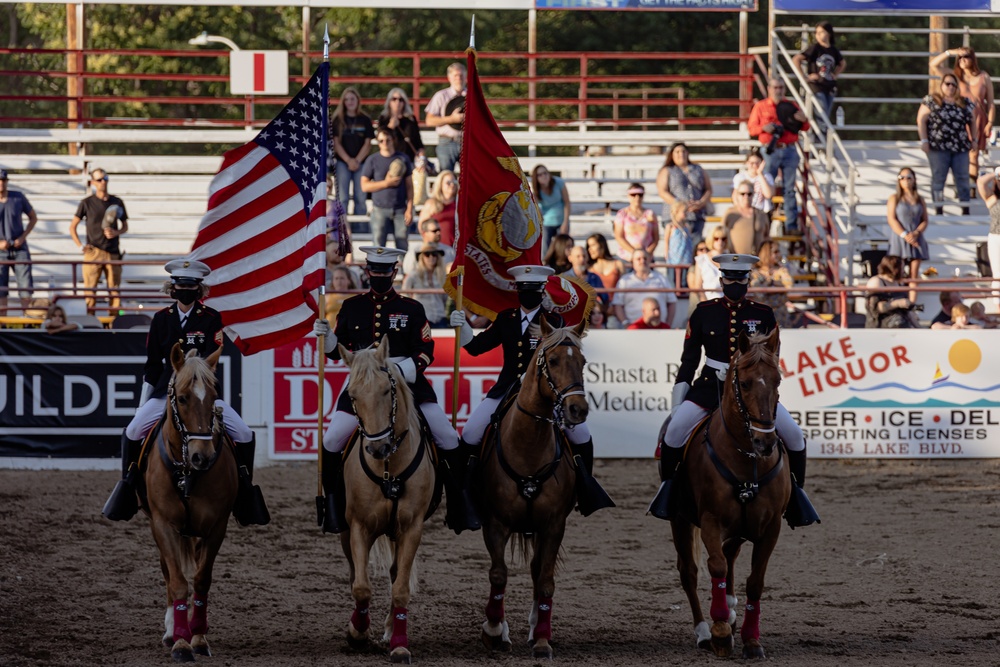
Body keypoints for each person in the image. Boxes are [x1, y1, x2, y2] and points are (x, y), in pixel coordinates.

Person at [311, 246, 479, 535]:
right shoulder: (351, 307)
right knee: (331, 440)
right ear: (366, 271)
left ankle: (459, 505)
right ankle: (334, 507)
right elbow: (337, 354)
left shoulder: (412, 308)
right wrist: (326, 338)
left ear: (395, 272)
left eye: (384, 272)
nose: (378, 276)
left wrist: (400, 372)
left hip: (408, 384)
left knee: (449, 437)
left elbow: (426, 351)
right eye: (373, 271)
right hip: (364, 386)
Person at [103, 259, 268, 525]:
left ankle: (244, 491)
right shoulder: (160, 320)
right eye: (180, 285)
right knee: (133, 431)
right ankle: (129, 487)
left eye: (190, 286)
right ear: (173, 288)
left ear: (198, 289)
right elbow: (152, 365)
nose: (185, 290)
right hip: (165, 394)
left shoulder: (211, 319)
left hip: (201, 396)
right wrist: (143, 403)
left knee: (245, 434)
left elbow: (212, 358)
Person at [654, 253, 812, 527]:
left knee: (796, 437)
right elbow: (689, 361)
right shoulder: (704, 312)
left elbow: (770, 363)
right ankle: (669, 492)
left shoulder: (763, 314)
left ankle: (796, 496)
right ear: (722, 279)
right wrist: (677, 403)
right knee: (675, 433)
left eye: (740, 278)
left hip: (751, 391)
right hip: (708, 388)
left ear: (748, 280)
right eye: (730, 278)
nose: (735, 283)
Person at [448, 265, 613, 516]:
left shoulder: (554, 321)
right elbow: (477, 348)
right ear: (517, 290)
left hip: (546, 394)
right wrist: (464, 329)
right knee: (470, 433)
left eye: (534, 290)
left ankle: (583, 489)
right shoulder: (507, 319)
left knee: (582, 435)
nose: (529, 294)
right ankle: (468, 493)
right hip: (505, 390)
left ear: (542, 290)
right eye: (524, 289)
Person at [748, 78, 810, 233]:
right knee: (765, 187)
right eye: (775, 87)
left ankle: (791, 226)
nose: (778, 90)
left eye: (781, 87)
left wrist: (804, 120)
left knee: (789, 189)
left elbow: (805, 126)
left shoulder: (790, 105)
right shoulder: (761, 106)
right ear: (769, 89)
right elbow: (751, 129)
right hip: (770, 150)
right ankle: (764, 225)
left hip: (789, 149)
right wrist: (765, 128)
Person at [931, 46, 994, 195]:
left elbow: (990, 102)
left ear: (973, 58)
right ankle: (961, 185)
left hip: (978, 119)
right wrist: (950, 52)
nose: (963, 60)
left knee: (974, 154)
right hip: (959, 120)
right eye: (960, 57)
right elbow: (933, 65)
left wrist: (990, 122)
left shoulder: (983, 77)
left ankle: (971, 188)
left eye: (966, 56)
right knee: (959, 154)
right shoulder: (954, 77)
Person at [69, 167, 128, 315]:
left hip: (113, 252)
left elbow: (125, 226)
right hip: (93, 251)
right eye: (100, 180)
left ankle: (114, 324)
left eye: (105, 179)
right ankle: (90, 323)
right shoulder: (87, 203)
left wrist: (116, 232)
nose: (103, 182)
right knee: (90, 291)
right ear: (93, 182)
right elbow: (72, 227)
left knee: (114, 291)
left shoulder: (117, 201)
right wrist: (80, 246)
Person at [917, 72, 973, 216]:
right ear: (941, 85)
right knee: (938, 178)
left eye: (954, 84)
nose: (950, 87)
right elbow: (921, 120)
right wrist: (924, 140)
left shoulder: (964, 102)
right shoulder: (932, 100)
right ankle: (938, 209)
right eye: (947, 83)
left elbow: (972, 121)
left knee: (962, 178)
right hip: (938, 147)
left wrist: (975, 140)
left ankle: (965, 209)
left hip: (960, 147)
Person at [361, 127, 413, 251]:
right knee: (378, 246)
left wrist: (410, 209)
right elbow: (364, 186)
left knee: (402, 246)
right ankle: (378, 270)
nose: (384, 143)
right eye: (381, 140)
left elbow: (410, 186)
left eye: (387, 140)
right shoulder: (372, 160)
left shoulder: (403, 158)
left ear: (393, 140)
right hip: (379, 209)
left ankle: (402, 270)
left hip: (400, 209)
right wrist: (386, 183)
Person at [792, 21, 846, 136]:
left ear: (829, 33)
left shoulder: (833, 50)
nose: (819, 35)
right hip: (817, 86)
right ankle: (823, 141)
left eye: (822, 32)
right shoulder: (815, 48)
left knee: (826, 114)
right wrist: (804, 77)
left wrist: (835, 75)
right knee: (822, 114)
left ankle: (824, 139)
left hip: (829, 86)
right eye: (817, 32)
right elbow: (797, 58)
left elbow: (842, 63)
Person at [329, 87, 374, 216]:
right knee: (342, 198)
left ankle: (361, 230)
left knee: (360, 197)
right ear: (343, 102)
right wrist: (349, 160)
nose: (350, 102)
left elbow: (367, 143)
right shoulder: (338, 120)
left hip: (361, 163)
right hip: (343, 163)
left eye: (352, 99)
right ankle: (342, 230)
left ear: (358, 100)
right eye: (347, 99)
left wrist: (357, 160)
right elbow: (336, 143)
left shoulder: (365, 119)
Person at [887, 168, 929, 303]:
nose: (905, 180)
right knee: (896, 272)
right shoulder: (894, 198)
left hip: (916, 238)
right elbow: (891, 219)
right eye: (902, 177)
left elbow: (925, 220)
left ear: (914, 179)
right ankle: (896, 302)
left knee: (914, 275)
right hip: (900, 238)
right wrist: (905, 235)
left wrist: (916, 233)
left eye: (909, 177)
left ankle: (911, 305)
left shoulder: (919, 199)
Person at [0, 169, 38, 316]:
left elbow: (33, 217)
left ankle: (27, 323)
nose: (1, 183)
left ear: (7, 181)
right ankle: (2, 325)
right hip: (1, 250)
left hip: (19, 247)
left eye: (3, 180)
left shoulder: (18, 197)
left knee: (25, 287)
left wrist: (23, 237)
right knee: (1, 290)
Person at [656, 143, 713, 239]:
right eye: (677, 152)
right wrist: (680, 204)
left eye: (683, 151)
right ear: (672, 155)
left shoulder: (698, 169)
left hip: (696, 216)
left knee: (695, 246)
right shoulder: (667, 171)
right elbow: (662, 191)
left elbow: (708, 189)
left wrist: (701, 203)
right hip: (675, 217)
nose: (681, 154)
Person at [611, 249, 677, 328]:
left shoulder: (661, 279)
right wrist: (626, 324)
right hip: (634, 330)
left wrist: (667, 324)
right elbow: (618, 305)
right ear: (632, 262)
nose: (642, 261)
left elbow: (672, 302)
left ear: (650, 260)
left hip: (659, 329)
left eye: (645, 258)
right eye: (638, 259)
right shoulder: (624, 281)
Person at [424, 62, 466, 173]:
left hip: (468, 142)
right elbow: (429, 120)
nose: (459, 78)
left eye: (461, 75)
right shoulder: (441, 95)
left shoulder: (473, 95)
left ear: (466, 77)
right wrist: (451, 119)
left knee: (470, 179)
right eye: (455, 76)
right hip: (447, 142)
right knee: (446, 177)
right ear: (449, 78)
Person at [751, 240, 798, 329]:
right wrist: (778, 285)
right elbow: (759, 292)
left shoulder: (781, 270)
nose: (778, 254)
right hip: (761, 314)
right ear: (766, 253)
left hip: (780, 314)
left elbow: (789, 285)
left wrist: (770, 283)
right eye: (775, 252)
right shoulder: (755, 273)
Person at [402, 242, 448, 327]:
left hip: (440, 319)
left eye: (434, 254)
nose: (431, 257)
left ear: (438, 257)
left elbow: (445, 299)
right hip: (420, 318)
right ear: (421, 257)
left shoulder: (442, 276)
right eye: (427, 254)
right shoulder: (413, 275)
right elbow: (405, 295)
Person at [865, 255, 918, 329]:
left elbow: (908, 312)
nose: (903, 271)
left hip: (902, 323)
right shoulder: (876, 282)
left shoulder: (898, 283)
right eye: (902, 268)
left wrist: (919, 327)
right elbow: (875, 308)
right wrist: (897, 303)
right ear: (894, 268)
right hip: (882, 326)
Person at [612, 183, 659, 263]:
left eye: (640, 195)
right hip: (627, 257)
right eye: (633, 195)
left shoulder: (650, 214)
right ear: (628, 196)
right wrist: (635, 253)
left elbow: (656, 237)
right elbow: (619, 236)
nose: (637, 197)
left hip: (646, 258)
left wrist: (647, 253)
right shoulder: (622, 214)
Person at [377, 87, 425, 166]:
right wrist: (390, 126)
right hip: (390, 159)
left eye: (401, 100)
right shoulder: (383, 118)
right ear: (389, 102)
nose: (397, 102)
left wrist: (422, 158)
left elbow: (418, 142)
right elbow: (380, 138)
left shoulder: (410, 119)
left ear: (405, 102)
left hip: (409, 159)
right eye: (394, 99)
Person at [531, 164, 571, 254]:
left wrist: (565, 222)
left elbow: (567, 202)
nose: (543, 176)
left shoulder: (559, 182)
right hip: (547, 222)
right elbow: (536, 208)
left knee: (563, 250)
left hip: (561, 220)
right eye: (539, 175)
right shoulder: (536, 191)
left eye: (545, 173)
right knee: (544, 250)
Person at [723, 183, 769, 255]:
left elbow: (767, 236)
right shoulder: (730, 213)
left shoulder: (761, 214)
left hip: (757, 260)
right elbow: (721, 234)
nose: (746, 196)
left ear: (753, 195)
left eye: (749, 194)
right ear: (737, 195)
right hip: (735, 260)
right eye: (742, 194)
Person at [417, 170, 458, 248]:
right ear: (440, 185)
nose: (452, 185)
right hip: (436, 248)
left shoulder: (459, 204)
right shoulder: (431, 203)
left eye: (454, 182)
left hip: (455, 248)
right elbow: (422, 226)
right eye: (448, 182)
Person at [978, 169, 1000, 308]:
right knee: (998, 272)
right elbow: (981, 182)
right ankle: (999, 304)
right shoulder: (993, 199)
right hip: (996, 237)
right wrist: (996, 174)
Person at [731, 148, 775, 217]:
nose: (754, 166)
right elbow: (735, 197)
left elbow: (768, 194)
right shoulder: (740, 177)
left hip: (762, 212)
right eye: (752, 163)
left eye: (757, 163)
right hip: (744, 211)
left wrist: (760, 174)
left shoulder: (767, 176)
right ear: (747, 163)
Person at [564, 245, 607, 313]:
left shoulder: (595, 278)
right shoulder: (564, 279)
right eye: (578, 256)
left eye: (584, 256)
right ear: (570, 258)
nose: (582, 259)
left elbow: (605, 299)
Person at [689, 228, 727, 306]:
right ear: (711, 239)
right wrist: (706, 304)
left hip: (728, 305)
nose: (720, 242)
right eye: (716, 238)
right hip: (708, 302)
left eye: (723, 239)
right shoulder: (702, 259)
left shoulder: (732, 259)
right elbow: (698, 287)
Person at [663, 202, 694, 289]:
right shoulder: (670, 226)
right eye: (684, 212)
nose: (686, 214)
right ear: (676, 212)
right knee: (673, 279)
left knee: (684, 279)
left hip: (686, 257)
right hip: (674, 257)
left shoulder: (687, 226)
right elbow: (666, 241)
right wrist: (666, 253)